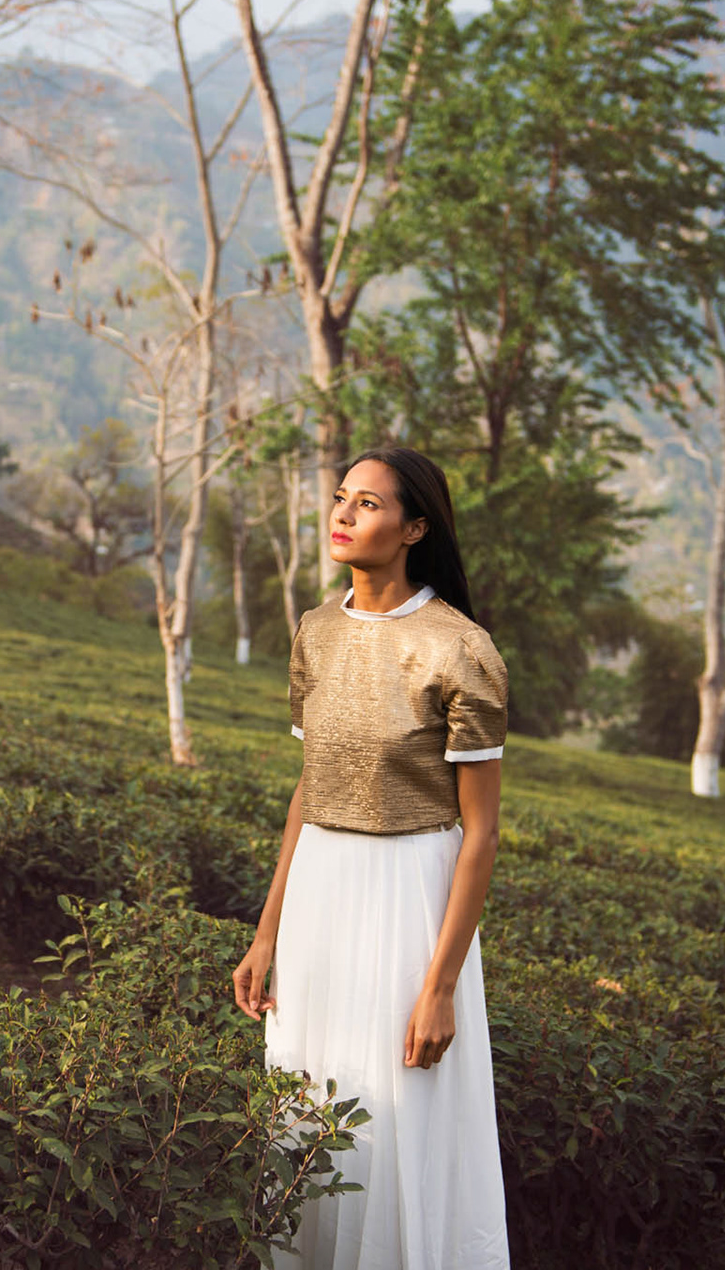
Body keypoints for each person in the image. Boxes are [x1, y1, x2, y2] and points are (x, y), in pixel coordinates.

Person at [233, 446, 513, 1270]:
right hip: (319, 892)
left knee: (394, 1109)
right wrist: (266, 934)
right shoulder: (315, 632)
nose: (343, 514)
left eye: (368, 503)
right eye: (340, 497)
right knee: (305, 1098)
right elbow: (309, 789)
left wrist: (441, 985)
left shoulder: (459, 648)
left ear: (415, 528)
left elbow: (481, 833)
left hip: (407, 896)